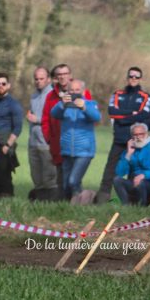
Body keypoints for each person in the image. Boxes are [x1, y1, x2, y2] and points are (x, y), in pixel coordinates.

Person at [97, 67, 150, 204]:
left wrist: (123, 117)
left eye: (136, 77)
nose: (133, 79)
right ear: (127, 78)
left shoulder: (146, 96)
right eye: (131, 76)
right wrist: (132, 114)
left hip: (136, 141)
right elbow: (112, 111)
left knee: (134, 172)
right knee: (109, 170)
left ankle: (131, 203)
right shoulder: (117, 94)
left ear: (140, 79)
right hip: (119, 139)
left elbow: (144, 115)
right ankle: (102, 200)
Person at [42, 64, 92, 199]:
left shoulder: (82, 92)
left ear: (70, 75)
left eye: (65, 73)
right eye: (59, 74)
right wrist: (49, 139)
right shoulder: (51, 96)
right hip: (58, 144)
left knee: (74, 179)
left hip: (78, 143)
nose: (62, 77)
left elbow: (92, 115)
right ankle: (64, 207)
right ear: (56, 77)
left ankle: (79, 203)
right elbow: (46, 119)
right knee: (62, 180)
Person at [50, 79, 101, 201]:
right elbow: (53, 113)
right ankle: (76, 205)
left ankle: (87, 197)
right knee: (67, 184)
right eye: (71, 90)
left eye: (77, 90)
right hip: (67, 150)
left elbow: (96, 117)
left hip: (84, 151)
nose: (74, 92)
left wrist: (84, 107)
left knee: (73, 181)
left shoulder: (90, 104)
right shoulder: (64, 105)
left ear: (83, 91)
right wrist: (62, 104)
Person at [113, 122, 150, 206]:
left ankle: (141, 207)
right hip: (134, 182)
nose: (138, 137)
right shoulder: (130, 150)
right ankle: (126, 206)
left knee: (140, 182)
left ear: (147, 134)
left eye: (141, 134)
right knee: (117, 180)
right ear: (132, 136)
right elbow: (119, 173)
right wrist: (128, 154)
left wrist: (144, 175)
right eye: (135, 134)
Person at [0, 73, 23, 198]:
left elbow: (18, 127)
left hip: (5, 145)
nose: (0, 86)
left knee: (4, 178)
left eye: (3, 84)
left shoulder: (14, 104)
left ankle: (8, 208)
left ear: (8, 86)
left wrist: (8, 145)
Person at [26, 66, 57, 200]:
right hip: (33, 142)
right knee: (36, 177)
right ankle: (40, 206)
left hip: (46, 143)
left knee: (49, 177)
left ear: (48, 79)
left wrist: (36, 119)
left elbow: (54, 119)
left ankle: (52, 206)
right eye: (36, 79)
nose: (38, 81)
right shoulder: (33, 96)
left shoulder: (53, 95)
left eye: (41, 78)